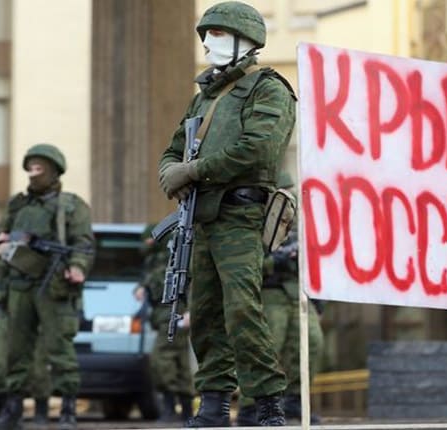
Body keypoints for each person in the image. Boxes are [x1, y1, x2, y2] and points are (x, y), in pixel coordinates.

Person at [157, 1, 297, 427]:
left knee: (242, 309)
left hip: (241, 214)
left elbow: (259, 147)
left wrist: (194, 169)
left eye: (216, 35)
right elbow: (172, 148)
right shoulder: (204, 97)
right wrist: (170, 171)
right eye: (204, 36)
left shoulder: (268, 88)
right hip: (203, 216)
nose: (207, 43)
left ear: (246, 40)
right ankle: (214, 404)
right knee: (205, 314)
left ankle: (268, 404)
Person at [0, 143, 95, 430]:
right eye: (31, 163)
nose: (33, 167)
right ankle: (12, 410)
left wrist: (77, 267)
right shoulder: (17, 204)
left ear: (54, 170)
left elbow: (83, 243)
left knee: (60, 349)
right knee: (15, 351)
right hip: (18, 285)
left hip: (54, 285)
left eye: (40, 163)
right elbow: (2, 235)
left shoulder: (71, 205)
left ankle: (68, 411)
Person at [236, 174, 325, 426]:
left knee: (311, 343)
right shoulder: (254, 223)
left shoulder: (300, 227)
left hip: (297, 293)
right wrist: (278, 261)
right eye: (284, 192)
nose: (290, 198)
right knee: (265, 348)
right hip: (269, 293)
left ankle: (295, 399)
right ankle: (250, 406)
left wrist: (318, 301)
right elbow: (244, 264)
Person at [137, 225, 195, 424]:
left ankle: (173, 408)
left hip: (175, 313)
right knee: (178, 362)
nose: (146, 244)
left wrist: (190, 310)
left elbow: (191, 281)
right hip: (162, 315)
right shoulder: (154, 261)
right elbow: (150, 282)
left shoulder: (178, 255)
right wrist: (141, 288)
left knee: (162, 360)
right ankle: (184, 411)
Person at [0, 259, 52, 425]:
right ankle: (10, 412)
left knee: (38, 367)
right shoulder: (3, 252)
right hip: (6, 312)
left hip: (36, 312)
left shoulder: (42, 246)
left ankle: (41, 412)